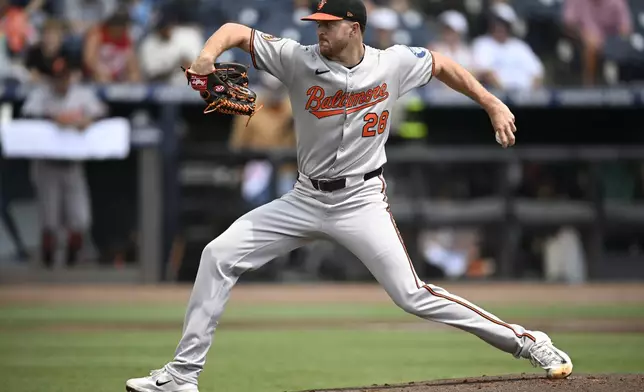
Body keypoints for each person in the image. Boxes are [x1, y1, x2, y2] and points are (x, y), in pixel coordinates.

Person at [125, 0, 573, 391]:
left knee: (412, 294)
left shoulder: (391, 62)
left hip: (361, 201)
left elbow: (442, 64)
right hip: (303, 199)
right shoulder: (295, 59)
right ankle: (183, 375)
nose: (318, 31)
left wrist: (492, 103)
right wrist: (206, 56)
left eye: (328, 23)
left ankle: (529, 342)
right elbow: (235, 32)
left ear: (353, 27)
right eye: (316, 23)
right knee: (218, 255)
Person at [21, 54, 107, 268]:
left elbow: (102, 112)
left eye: (64, 76)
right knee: (50, 220)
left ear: (70, 76)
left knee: (80, 218)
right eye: (56, 77)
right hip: (46, 163)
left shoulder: (81, 93)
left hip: (72, 163)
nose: (60, 81)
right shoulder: (41, 93)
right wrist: (52, 118)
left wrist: (87, 120)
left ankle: (71, 262)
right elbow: (26, 115)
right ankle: (48, 266)